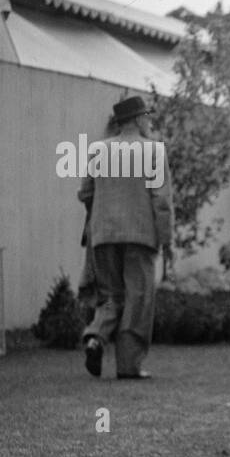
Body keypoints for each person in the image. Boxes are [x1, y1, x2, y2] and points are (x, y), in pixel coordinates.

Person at [79, 96, 173, 380]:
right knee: (138, 298)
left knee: (110, 296)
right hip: (140, 235)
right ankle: (129, 366)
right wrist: (166, 240)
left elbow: (86, 193)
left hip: (103, 235)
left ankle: (95, 337)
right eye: (146, 117)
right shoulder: (153, 151)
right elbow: (161, 201)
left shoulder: (98, 150)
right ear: (138, 119)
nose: (148, 122)